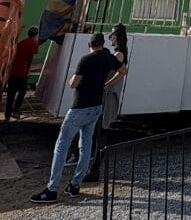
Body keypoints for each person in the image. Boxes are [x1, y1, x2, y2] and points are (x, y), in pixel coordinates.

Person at [31, 32, 127, 203]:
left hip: (80, 107)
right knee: (86, 146)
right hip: (96, 106)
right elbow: (123, 70)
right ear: (102, 43)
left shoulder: (86, 59)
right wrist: (107, 83)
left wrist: (71, 81)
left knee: (61, 146)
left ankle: (52, 189)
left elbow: (74, 83)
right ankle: (75, 185)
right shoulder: (107, 57)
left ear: (89, 44)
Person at [5, 26, 40, 121]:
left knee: (10, 94)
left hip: (13, 72)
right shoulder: (34, 43)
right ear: (36, 35)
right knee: (21, 93)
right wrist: (28, 70)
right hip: (22, 73)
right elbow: (30, 57)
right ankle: (16, 111)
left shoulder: (21, 43)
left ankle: (7, 114)